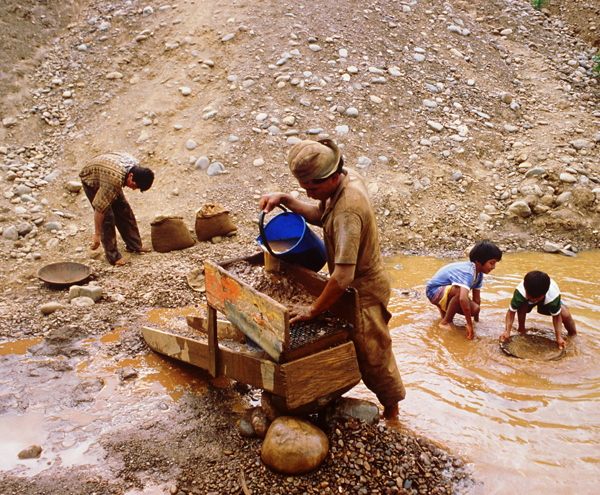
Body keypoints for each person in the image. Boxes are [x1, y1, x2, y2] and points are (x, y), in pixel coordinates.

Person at [259, 138, 405, 419]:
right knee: (351, 345)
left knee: (375, 356)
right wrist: (287, 200)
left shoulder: (349, 211)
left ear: (333, 177)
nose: (309, 193)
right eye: (304, 188)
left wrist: (312, 310)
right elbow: (320, 214)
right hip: (350, 287)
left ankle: (393, 413)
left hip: (364, 292)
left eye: (313, 188)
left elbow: (341, 278)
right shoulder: (344, 178)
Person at [79, 151, 154, 265]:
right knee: (107, 217)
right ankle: (113, 257)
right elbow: (100, 209)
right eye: (134, 186)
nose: (133, 189)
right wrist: (97, 235)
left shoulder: (135, 166)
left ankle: (134, 245)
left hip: (107, 171)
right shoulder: (114, 180)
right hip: (91, 177)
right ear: (131, 176)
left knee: (124, 209)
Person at [425, 242, 502, 339]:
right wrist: (468, 324)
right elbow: (462, 298)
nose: (494, 267)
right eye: (492, 263)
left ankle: (444, 315)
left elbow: (477, 299)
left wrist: (476, 322)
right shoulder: (468, 272)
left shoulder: (479, 274)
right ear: (478, 261)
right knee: (460, 292)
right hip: (433, 291)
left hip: (444, 291)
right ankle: (446, 322)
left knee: (475, 309)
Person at [500, 270, 577, 349]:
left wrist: (559, 337)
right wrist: (507, 332)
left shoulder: (553, 296)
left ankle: (574, 336)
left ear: (545, 293)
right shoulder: (520, 291)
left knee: (565, 314)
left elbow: (556, 316)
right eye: (530, 296)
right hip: (527, 301)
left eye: (536, 298)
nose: (533, 300)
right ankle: (521, 329)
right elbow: (511, 312)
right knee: (522, 304)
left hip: (545, 300)